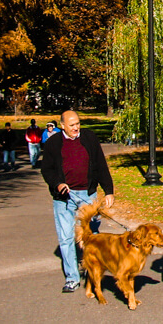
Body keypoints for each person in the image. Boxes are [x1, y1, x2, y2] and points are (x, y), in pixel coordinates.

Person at [41, 110, 115, 292]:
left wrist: (108, 191)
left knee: (92, 236)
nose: (76, 128)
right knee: (66, 238)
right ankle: (72, 278)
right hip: (64, 198)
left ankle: (94, 273)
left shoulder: (89, 138)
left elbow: (100, 164)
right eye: (72, 125)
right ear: (62, 126)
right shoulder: (53, 143)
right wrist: (57, 184)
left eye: (78, 123)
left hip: (87, 195)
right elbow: (47, 170)